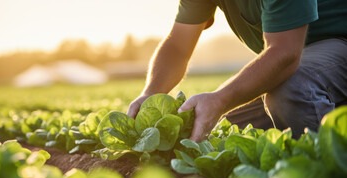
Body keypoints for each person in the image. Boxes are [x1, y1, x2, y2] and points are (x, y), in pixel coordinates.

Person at [127, 0, 347, 142]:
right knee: (229, 125)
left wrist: (220, 99)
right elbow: (177, 45)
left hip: (338, 42)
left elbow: (285, 53)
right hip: (305, 57)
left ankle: (328, 174)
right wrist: (151, 93)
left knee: (291, 90)